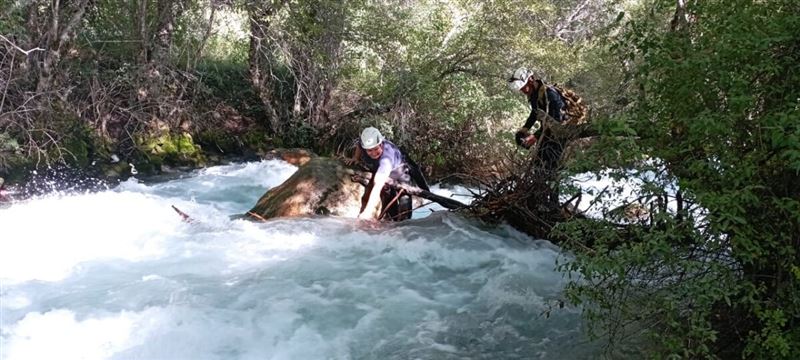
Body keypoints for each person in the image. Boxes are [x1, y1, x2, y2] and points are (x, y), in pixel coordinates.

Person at [353, 127, 429, 221]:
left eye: (376, 149)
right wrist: (355, 158)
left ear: (381, 144)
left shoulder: (386, 158)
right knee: (389, 199)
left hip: (400, 169)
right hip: (385, 172)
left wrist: (367, 212)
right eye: (369, 150)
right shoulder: (365, 142)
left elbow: (377, 185)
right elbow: (359, 145)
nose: (373, 153)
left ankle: (404, 225)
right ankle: (391, 223)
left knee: (404, 200)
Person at [507, 67, 565, 170]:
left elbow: (557, 121)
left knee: (548, 165)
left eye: (523, 87)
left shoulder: (550, 94)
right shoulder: (534, 94)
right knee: (538, 164)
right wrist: (524, 129)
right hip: (547, 132)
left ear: (531, 80)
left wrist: (535, 136)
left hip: (560, 132)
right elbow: (535, 113)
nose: (522, 91)